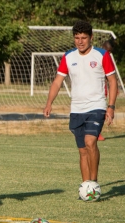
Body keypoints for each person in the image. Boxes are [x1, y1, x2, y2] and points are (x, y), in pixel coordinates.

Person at [43, 20, 118, 185]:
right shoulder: (69, 57)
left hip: (97, 106)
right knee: (83, 150)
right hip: (77, 109)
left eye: (84, 37)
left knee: (90, 142)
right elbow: (57, 82)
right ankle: (86, 187)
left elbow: (112, 82)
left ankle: (94, 183)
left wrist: (111, 107)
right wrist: (49, 103)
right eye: (77, 37)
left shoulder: (101, 55)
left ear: (91, 37)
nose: (80, 41)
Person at [98, 39, 115, 141]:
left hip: (102, 87)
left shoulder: (104, 55)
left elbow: (110, 77)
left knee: (100, 110)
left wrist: (113, 88)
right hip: (96, 87)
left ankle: (97, 132)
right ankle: (95, 133)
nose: (108, 53)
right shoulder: (100, 55)